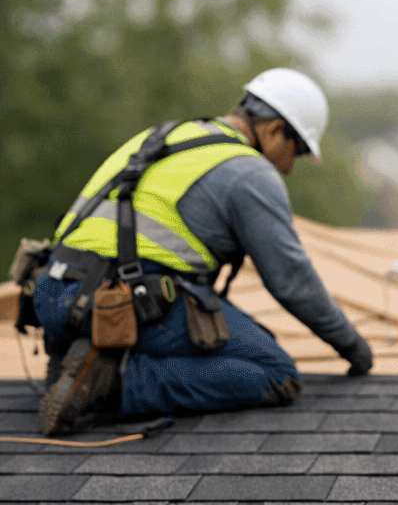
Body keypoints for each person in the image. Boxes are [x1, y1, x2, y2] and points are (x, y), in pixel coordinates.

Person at [21, 68, 373, 435]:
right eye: (296, 152)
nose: (288, 168)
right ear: (273, 130)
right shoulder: (249, 173)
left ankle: (76, 360)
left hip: (51, 296)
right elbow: (293, 282)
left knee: (251, 337)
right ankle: (115, 379)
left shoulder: (166, 136)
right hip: (116, 303)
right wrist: (354, 348)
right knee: (275, 373)